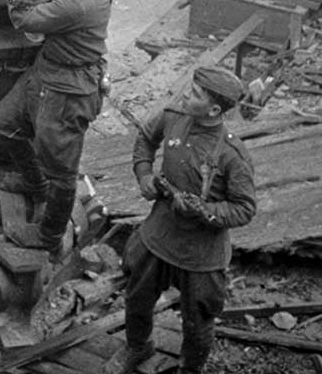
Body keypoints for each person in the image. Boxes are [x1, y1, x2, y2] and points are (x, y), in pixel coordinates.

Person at [103, 66, 256, 374]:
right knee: (137, 295)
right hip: (160, 233)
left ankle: (190, 368)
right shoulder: (174, 116)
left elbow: (244, 208)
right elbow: (146, 139)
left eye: (196, 94)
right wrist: (144, 175)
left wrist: (204, 210)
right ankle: (138, 346)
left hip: (200, 252)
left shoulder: (232, 155)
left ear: (214, 109)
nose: (187, 94)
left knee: (198, 319)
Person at [0, 0, 116, 255]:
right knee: (2, 124)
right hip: (47, 72)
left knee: (62, 172)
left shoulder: (82, 2)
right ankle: (34, 182)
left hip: (67, 91)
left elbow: (24, 19)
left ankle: (48, 236)